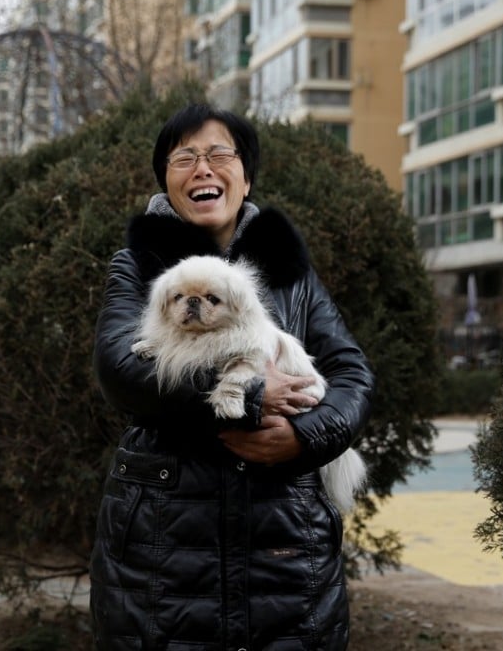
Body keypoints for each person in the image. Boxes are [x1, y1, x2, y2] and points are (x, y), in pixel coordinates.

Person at [90, 103, 374, 649]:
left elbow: (351, 372)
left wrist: (303, 436)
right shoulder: (137, 265)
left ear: (245, 177)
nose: (203, 168)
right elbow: (120, 371)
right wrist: (244, 398)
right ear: (166, 180)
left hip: (286, 546)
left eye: (220, 154)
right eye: (185, 157)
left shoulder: (289, 271)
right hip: (161, 551)